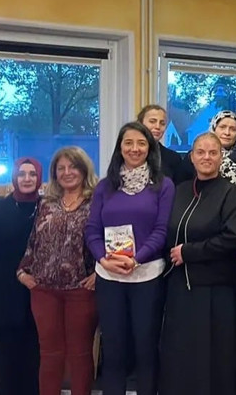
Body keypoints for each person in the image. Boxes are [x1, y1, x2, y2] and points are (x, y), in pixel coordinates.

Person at [84, 122, 175, 395]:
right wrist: (103, 259)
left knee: (145, 348)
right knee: (113, 349)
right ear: (120, 148)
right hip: (109, 276)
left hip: (147, 276)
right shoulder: (105, 186)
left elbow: (161, 230)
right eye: (128, 143)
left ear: (150, 148)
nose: (135, 149)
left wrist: (136, 259)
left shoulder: (163, 185)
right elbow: (92, 229)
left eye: (141, 143)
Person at [159, 132, 236, 395]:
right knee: (180, 355)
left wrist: (190, 252)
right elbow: (166, 231)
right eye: (201, 152)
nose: (206, 157)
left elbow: (233, 237)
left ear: (221, 157)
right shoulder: (180, 190)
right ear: (192, 157)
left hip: (214, 290)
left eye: (213, 152)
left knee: (212, 359)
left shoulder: (231, 193)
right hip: (179, 287)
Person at [17, 146, 99, 395]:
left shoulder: (97, 202)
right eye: (61, 168)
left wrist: (99, 273)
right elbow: (34, 241)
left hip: (81, 289)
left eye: (72, 166)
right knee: (50, 354)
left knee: (80, 354)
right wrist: (22, 272)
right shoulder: (46, 203)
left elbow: (107, 240)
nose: (67, 172)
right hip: (43, 289)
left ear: (83, 170)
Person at [0, 157, 42, 395]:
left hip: (38, 291)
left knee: (34, 353)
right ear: (14, 177)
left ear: (39, 178)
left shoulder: (48, 209)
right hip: (3, 292)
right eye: (22, 174)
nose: (27, 179)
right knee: (4, 355)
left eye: (32, 174)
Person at [137, 104, 193, 184]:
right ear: (140, 124)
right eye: (152, 121)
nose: (157, 126)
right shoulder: (129, 153)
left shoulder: (173, 158)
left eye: (162, 123)